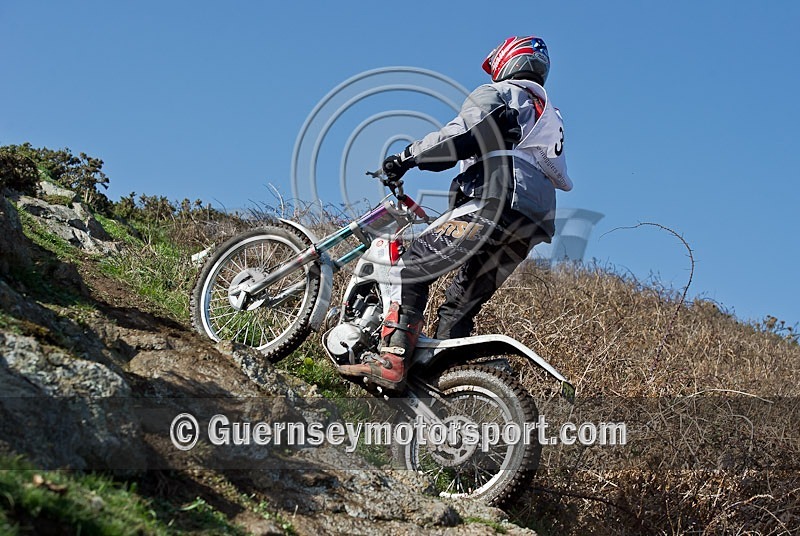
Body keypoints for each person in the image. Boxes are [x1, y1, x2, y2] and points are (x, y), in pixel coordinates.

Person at [338, 35, 573, 392]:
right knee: (457, 308)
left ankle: (393, 357)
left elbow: (462, 135)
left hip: (494, 202)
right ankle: (448, 387)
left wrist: (406, 158)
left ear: (506, 62)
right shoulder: (548, 114)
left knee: (409, 265)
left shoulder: (504, 92)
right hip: (530, 221)